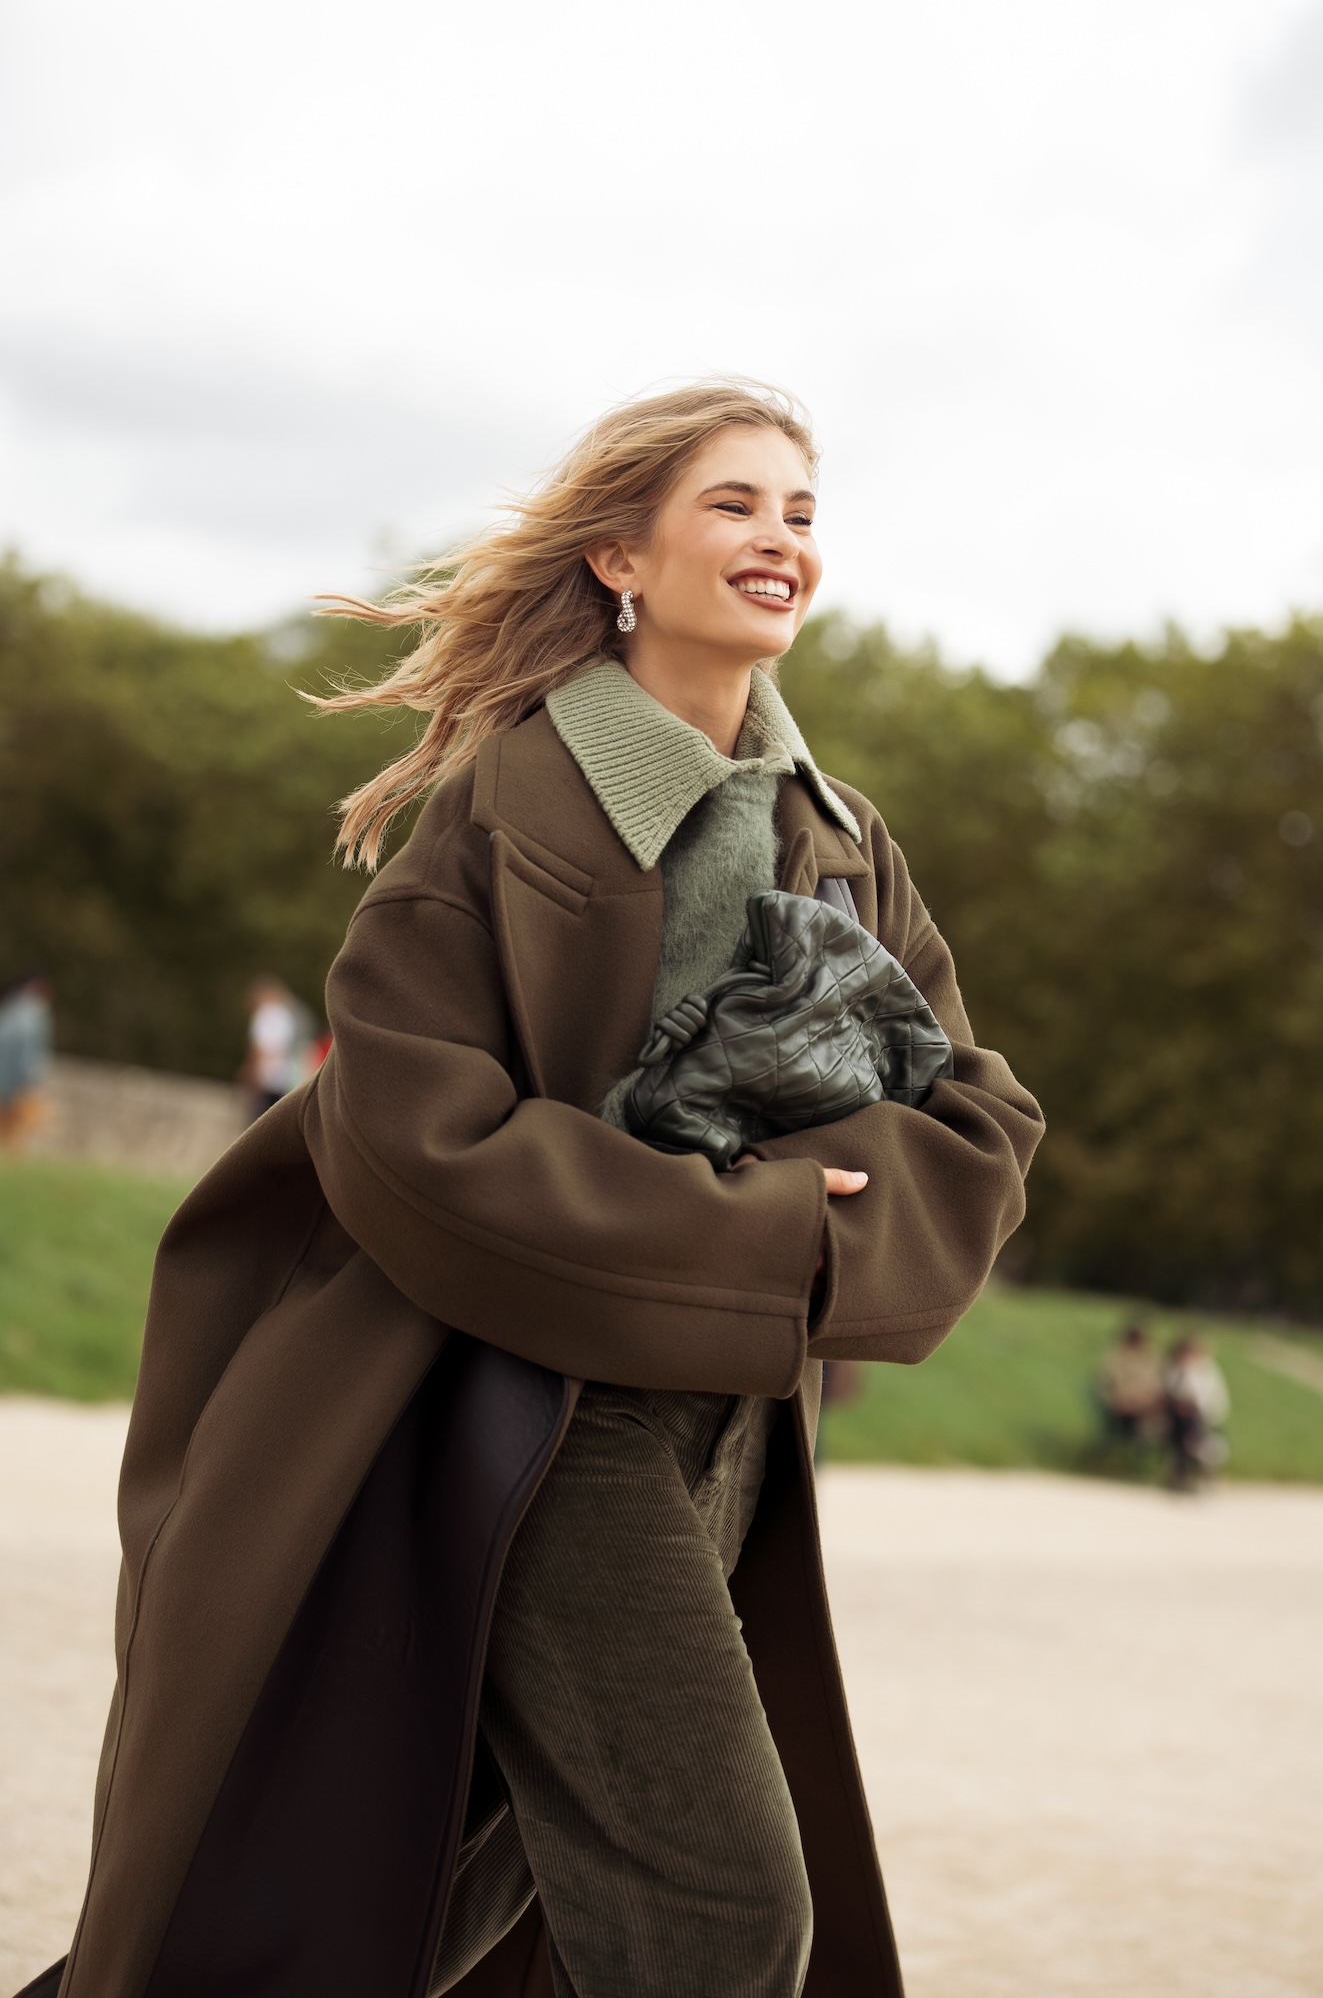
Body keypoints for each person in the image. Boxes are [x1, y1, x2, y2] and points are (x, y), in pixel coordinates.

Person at [26, 381, 1044, 1998]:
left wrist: (784, 1239)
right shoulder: (508, 804)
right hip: (525, 1416)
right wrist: (770, 1226)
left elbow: (979, 1121)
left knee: (440, 1899)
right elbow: (414, 1136)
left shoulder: (841, 837)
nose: (782, 534)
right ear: (622, 554)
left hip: (738, 1422)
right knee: (718, 1913)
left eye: (801, 508)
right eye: (737, 502)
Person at [1163, 1335, 1231, 1491]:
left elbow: (1206, 1399)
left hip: (1202, 1417)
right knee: (1184, 1430)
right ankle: (1185, 1473)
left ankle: (1184, 1472)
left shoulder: (1206, 1370)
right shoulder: (1176, 1369)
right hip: (1182, 1417)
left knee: (1189, 1431)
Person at [238, 976, 313, 1117]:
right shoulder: (288, 1015)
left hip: (268, 1078)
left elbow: (262, 1047)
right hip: (287, 1079)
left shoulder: (267, 1015)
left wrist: (251, 1069)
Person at [0, 972, 53, 1151]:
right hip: (15, 1085)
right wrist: (30, 1081)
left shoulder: (9, 1009)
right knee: (17, 1133)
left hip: (5, 1083)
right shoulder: (32, 1013)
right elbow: (28, 1054)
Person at [1096, 1323, 1164, 1448]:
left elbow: (1157, 1383)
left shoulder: (1152, 1357)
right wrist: (1120, 1400)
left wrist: (1145, 1400)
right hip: (1121, 1403)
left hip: (1146, 1404)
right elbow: (1107, 1382)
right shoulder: (1115, 1357)